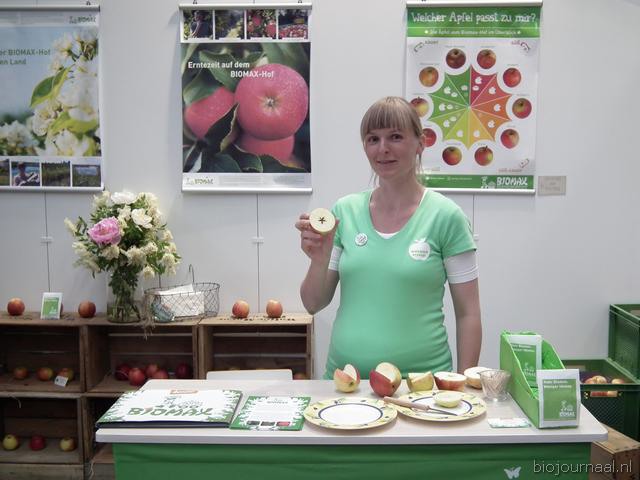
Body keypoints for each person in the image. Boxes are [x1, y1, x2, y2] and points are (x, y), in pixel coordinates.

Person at [295, 96, 481, 379]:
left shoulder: (446, 217)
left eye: (395, 137)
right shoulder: (345, 212)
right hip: (346, 382)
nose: (383, 149)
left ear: (420, 144)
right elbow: (313, 303)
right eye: (373, 139)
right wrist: (318, 260)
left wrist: (464, 384)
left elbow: (469, 314)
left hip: (422, 387)